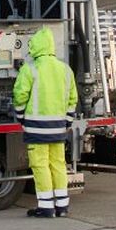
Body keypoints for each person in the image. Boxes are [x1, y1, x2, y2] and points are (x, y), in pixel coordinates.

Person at [12, 27, 78, 218]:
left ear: (35, 46)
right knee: (58, 164)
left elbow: (20, 95)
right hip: (58, 128)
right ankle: (62, 206)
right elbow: (73, 98)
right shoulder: (65, 69)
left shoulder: (30, 68)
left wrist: (20, 117)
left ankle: (46, 206)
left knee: (40, 165)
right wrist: (67, 121)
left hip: (36, 128)